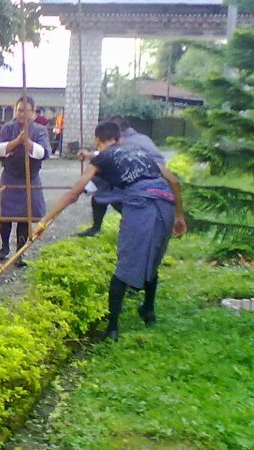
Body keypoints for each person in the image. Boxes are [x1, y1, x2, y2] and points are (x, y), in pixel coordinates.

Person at [33, 121, 186, 340]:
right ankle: (148, 311)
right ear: (120, 139)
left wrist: (43, 223)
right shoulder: (138, 152)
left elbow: (73, 193)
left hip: (140, 204)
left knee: (125, 263)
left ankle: (112, 329)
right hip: (165, 202)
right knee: (152, 257)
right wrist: (179, 216)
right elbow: (173, 180)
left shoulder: (101, 159)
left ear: (98, 140)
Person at [76, 115, 165, 237]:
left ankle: (99, 228)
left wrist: (84, 185)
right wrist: (89, 155)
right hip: (155, 177)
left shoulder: (125, 142)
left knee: (105, 193)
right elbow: (109, 154)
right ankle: (98, 227)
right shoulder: (141, 138)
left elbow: (111, 155)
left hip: (142, 180)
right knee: (106, 192)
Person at [0, 96, 52, 267]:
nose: (22, 114)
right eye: (19, 110)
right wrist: (17, 141)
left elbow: (44, 153)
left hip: (29, 179)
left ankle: (19, 252)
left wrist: (29, 142)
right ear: (15, 110)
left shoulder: (39, 130)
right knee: (5, 217)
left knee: (25, 218)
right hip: (9, 176)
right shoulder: (7, 128)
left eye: (26, 110)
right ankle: (4, 247)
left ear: (33, 112)